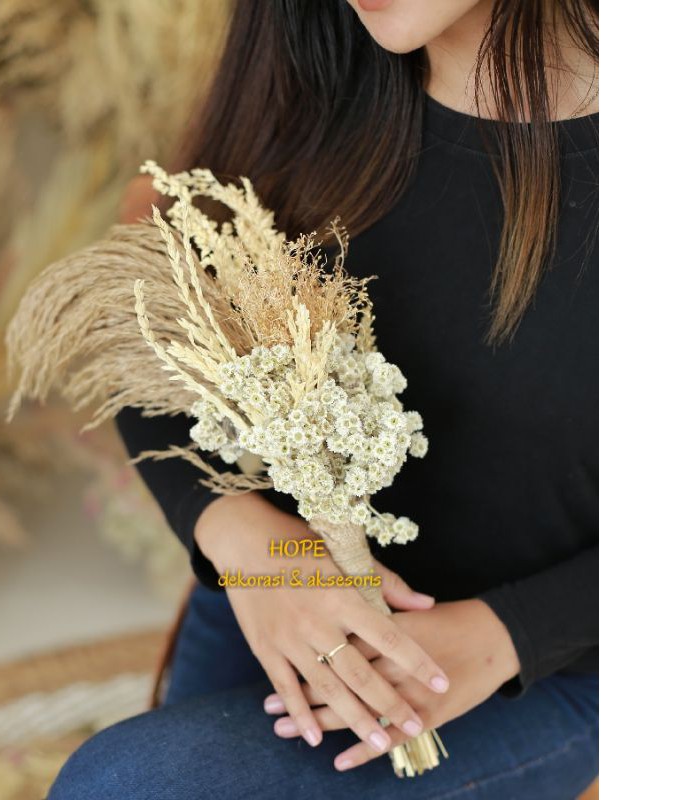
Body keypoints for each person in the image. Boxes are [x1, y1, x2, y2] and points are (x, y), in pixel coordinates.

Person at [50, 0, 599, 797]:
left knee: (127, 782)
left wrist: (508, 634)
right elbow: (153, 328)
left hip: (559, 654)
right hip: (284, 583)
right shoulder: (315, 77)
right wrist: (247, 538)